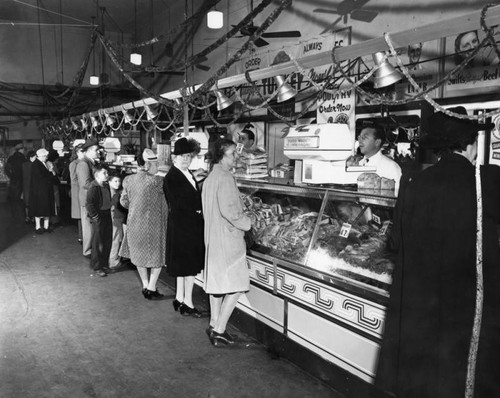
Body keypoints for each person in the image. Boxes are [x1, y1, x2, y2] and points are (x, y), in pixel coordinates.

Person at [375, 106, 500, 397]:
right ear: (472, 147)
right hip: (467, 306)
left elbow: (395, 244)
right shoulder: (490, 181)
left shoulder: (412, 181)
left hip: (423, 305)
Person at [201, 138, 252, 346]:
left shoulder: (211, 177)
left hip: (213, 237)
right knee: (238, 285)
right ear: (222, 155)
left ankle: (214, 323)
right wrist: (249, 223)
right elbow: (232, 212)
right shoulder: (225, 177)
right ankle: (220, 330)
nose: (235, 157)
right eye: (232, 153)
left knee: (217, 285)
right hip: (228, 240)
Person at [163, 138, 205, 317]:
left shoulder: (187, 174)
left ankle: (180, 298)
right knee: (188, 267)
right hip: (184, 226)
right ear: (174, 158)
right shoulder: (172, 177)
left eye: (188, 156)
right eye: (182, 157)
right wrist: (198, 206)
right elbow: (179, 203)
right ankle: (188, 302)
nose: (186, 159)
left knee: (183, 266)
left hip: (185, 225)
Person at [119, 148, 168, 300]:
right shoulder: (158, 181)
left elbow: (123, 202)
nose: (157, 166)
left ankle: (146, 285)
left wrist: (136, 208)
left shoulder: (128, 180)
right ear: (147, 165)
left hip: (135, 224)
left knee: (139, 255)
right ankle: (152, 287)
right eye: (155, 164)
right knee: (157, 256)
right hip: (155, 226)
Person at [86, 165, 114, 278]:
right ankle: (97, 266)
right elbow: (90, 204)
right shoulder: (93, 187)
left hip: (107, 214)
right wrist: (95, 216)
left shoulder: (105, 185)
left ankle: (104, 264)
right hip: (99, 216)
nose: (107, 175)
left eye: (107, 173)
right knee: (98, 242)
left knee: (107, 240)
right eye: (104, 173)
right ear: (97, 175)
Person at [357, 125, 402, 194]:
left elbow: (397, 197)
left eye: (364, 137)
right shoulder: (357, 164)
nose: (359, 140)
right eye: (359, 137)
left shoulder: (391, 167)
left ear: (377, 142)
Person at [76, 139, 100, 257]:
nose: (98, 152)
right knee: (88, 227)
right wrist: (101, 182)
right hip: (87, 199)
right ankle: (87, 251)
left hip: (91, 198)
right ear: (89, 151)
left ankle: (91, 249)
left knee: (91, 226)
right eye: (96, 150)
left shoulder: (91, 162)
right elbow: (85, 183)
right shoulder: (83, 164)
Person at [28, 148, 59, 234]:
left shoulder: (41, 163)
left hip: (43, 190)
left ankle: (46, 226)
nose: (46, 158)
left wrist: (50, 171)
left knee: (46, 209)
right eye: (45, 156)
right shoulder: (36, 165)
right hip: (40, 191)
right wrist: (50, 171)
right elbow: (41, 177)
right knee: (40, 210)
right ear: (41, 156)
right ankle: (38, 227)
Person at [108, 172, 127, 269]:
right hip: (115, 217)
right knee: (116, 238)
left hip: (115, 217)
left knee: (116, 238)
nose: (117, 183)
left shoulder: (113, 192)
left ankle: (113, 259)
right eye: (115, 181)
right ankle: (113, 261)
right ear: (109, 181)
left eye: (119, 181)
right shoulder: (114, 194)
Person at [5, 143, 27, 219]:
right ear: (21, 149)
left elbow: (6, 170)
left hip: (14, 182)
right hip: (22, 181)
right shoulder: (23, 158)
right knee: (22, 200)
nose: (24, 150)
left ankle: (15, 215)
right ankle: (22, 216)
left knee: (14, 200)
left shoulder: (11, 158)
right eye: (23, 149)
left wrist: (11, 176)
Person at [69, 144, 84, 244]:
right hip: (78, 190)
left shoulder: (85, 162)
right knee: (80, 214)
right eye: (82, 151)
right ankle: (81, 236)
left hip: (81, 189)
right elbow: (73, 179)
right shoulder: (74, 163)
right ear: (77, 152)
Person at [22, 150, 36, 223]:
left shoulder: (24, 165)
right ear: (31, 157)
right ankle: (33, 217)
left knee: (26, 203)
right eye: (35, 156)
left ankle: (27, 217)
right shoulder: (34, 165)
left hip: (25, 186)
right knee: (33, 202)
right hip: (33, 186)